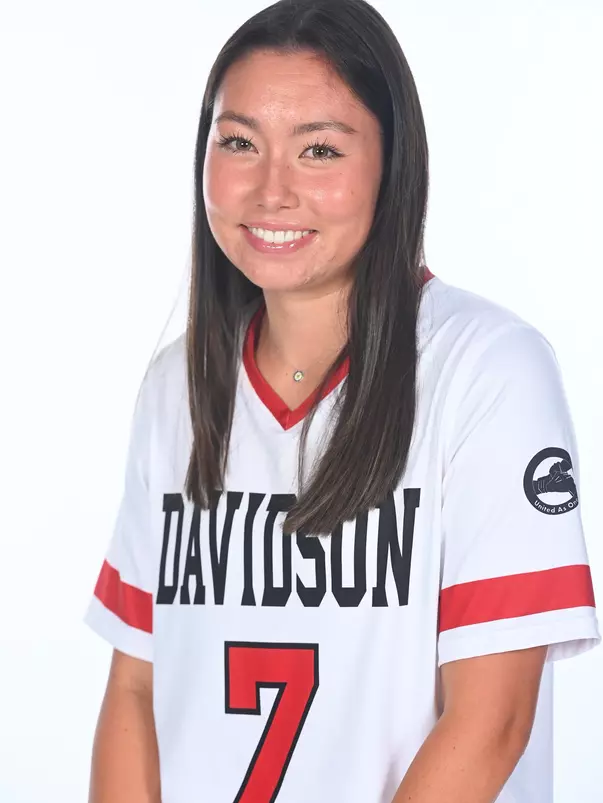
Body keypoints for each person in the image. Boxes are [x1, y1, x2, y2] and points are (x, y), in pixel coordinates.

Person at [85, 1, 600, 801]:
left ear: (393, 166)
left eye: (319, 149)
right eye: (239, 143)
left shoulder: (488, 369)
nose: (271, 189)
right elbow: (135, 691)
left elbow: (490, 722)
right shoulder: (176, 386)